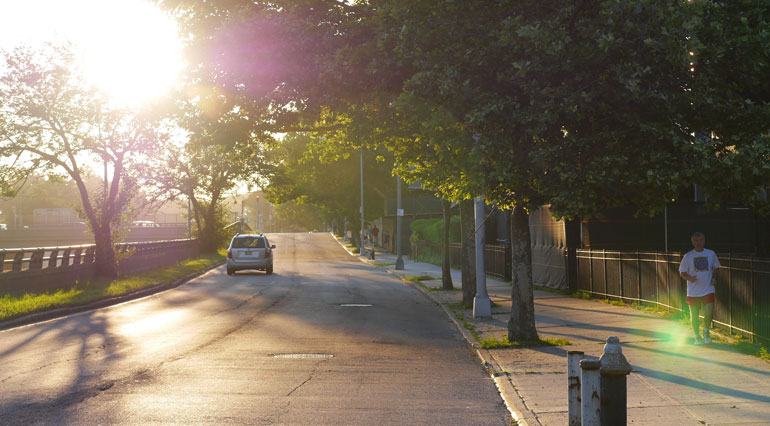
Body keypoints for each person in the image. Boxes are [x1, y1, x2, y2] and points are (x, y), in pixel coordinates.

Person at [679, 231, 720, 345]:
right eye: (696, 240)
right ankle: (697, 336)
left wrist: (714, 278)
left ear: (704, 241)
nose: (698, 243)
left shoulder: (711, 253)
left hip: (708, 288)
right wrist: (689, 278)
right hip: (693, 291)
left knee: (709, 311)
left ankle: (706, 331)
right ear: (692, 242)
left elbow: (716, 267)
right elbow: (682, 272)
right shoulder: (688, 256)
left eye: (700, 240)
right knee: (694, 316)